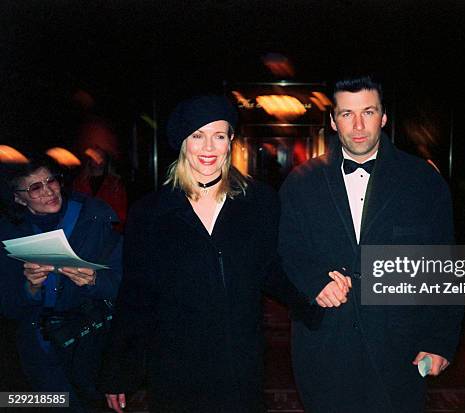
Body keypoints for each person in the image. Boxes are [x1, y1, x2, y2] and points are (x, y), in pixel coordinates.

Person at [99, 95, 323, 413]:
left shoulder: (259, 202)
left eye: (219, 136)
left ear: (230, 140)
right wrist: (118, 370)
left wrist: (316, 298)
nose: (208, 148)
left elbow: (272, 269)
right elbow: (136, 296)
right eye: (198, 136)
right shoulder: (150, 213)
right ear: (183, 143)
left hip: (239, 365)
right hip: (176, 367)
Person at [278, 76, 464, 412]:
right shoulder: (300, 183)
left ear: (384, 117)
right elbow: (285, 253)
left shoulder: (423, 181)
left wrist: (439, 341)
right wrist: (312, 280)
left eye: (368, 111)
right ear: (333, 121)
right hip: (325, 346)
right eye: (347, 114)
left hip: (400, 348)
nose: (359, 125)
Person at [0, 155, 122, 412]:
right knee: (53, 404)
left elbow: (127, 286)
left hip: (91, 340)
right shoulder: (10, 231)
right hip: (41, 348)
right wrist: (30, 288)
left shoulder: (94, 216)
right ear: (19, 198)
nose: (48, 191)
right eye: (35, 187)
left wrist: (95, 281)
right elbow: (8, 307)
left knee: (90, 404)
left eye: (51, 180)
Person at [73, 146, 128, 231]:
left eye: (101, 156)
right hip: (84, 231)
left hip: (109, 232)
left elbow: (121, 215)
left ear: (106, 161)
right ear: (89, 160)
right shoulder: (79, 183)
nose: (98, 159)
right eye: (95, 156)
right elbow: (74, 209)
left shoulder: (115, 184)